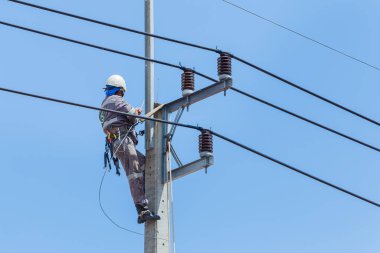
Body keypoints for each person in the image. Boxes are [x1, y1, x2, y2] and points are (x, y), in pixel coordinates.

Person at [99, 74, 160, 224]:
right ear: (120, 90)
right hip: (123, 141)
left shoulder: (103, 105)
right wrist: (136, 113)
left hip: (116, 143)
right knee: (134, 173)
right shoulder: (117, 100)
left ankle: (145, 196)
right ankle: (142, 208)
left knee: (144, 164)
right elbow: (132, 116)